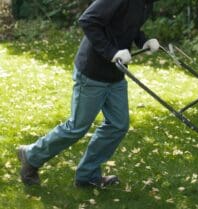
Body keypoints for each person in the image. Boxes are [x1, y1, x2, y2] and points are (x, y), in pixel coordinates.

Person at [17, 0, 160, 188]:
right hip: (92, 73)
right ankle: (31, 156)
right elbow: (87, 20)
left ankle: (87, 175)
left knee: (118, 125)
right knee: (76, 127)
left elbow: (126, 27)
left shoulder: (146, 3)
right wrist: (111, 52)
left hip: (115, 75)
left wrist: (143, 40)